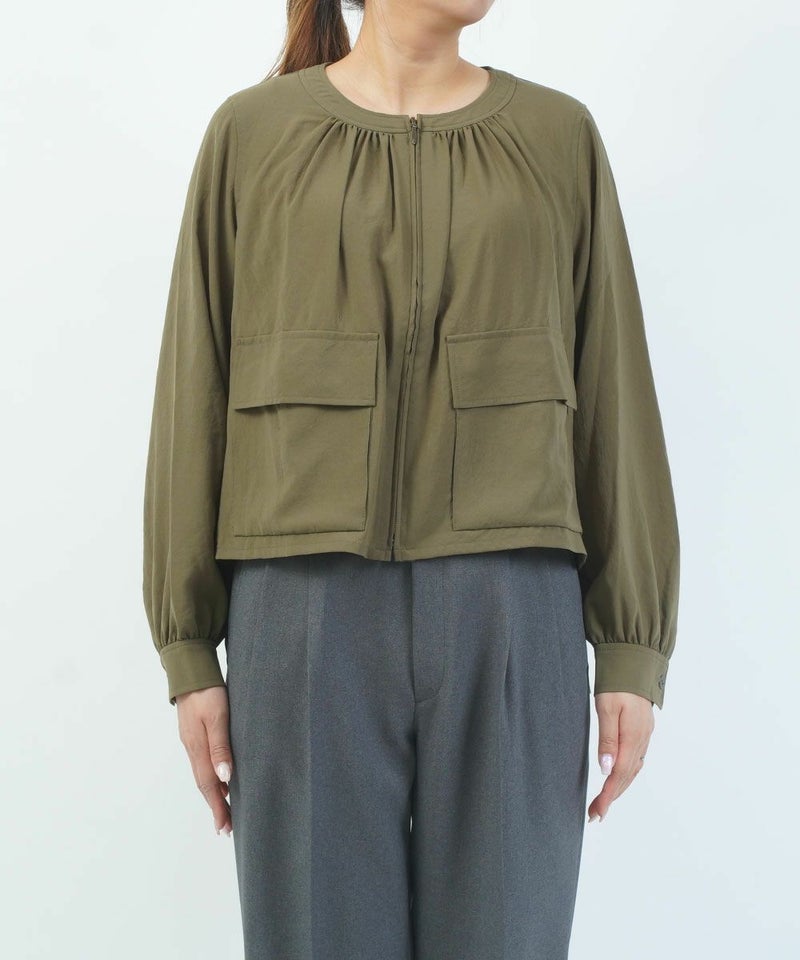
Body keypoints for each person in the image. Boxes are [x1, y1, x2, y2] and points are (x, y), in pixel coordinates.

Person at [142, 1, 680, 957]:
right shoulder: (251, 135)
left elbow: (612, 385)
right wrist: (189, 649)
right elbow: (197, 387)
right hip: (300, 609)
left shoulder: (557, 136)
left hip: (514, 606)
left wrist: (632, 649)